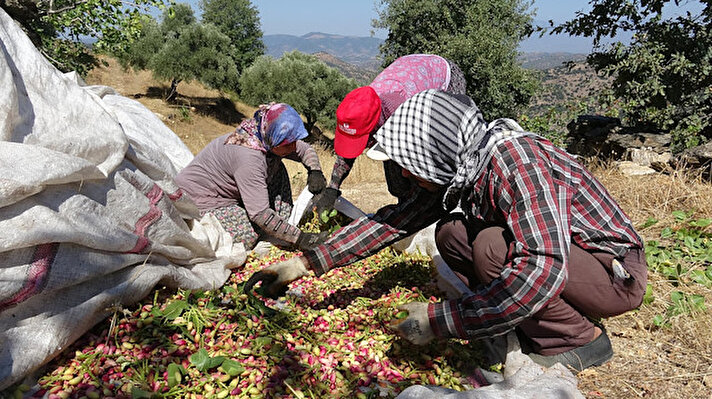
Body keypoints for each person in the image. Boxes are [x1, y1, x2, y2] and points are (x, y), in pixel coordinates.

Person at [245, 90, 648, 372]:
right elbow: (392, 222)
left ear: (435, 153)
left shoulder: (516, 164)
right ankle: (517, 319)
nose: (403, 174)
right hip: (566, 260)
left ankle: (577, 340)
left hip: (610, 274)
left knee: (490, 247)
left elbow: (540, 267)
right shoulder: (466, 164)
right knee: (452, 233)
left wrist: (444, 320)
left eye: (409, 164)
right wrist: (304, 263)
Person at [311, 54, 467, 213]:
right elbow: (348, 152)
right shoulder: (360, 108)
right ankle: (407, 207)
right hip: (407, 73)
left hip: (441, 76)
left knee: (428, 178)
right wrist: (333, 189)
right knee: (397, 184)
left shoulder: (403, 112)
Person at [175, 102, 329, 252]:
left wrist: (314, 170)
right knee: (248, 235)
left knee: (277, 168)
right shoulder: (249, 158)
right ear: (273, 140)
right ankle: (275, 230)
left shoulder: (264, 133)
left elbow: (304, 149)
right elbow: (259, 214)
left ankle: (278, 226)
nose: (293, 147)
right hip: (201, 201)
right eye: (288, 144)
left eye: (294, 141)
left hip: (235, 192)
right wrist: (300, 238)